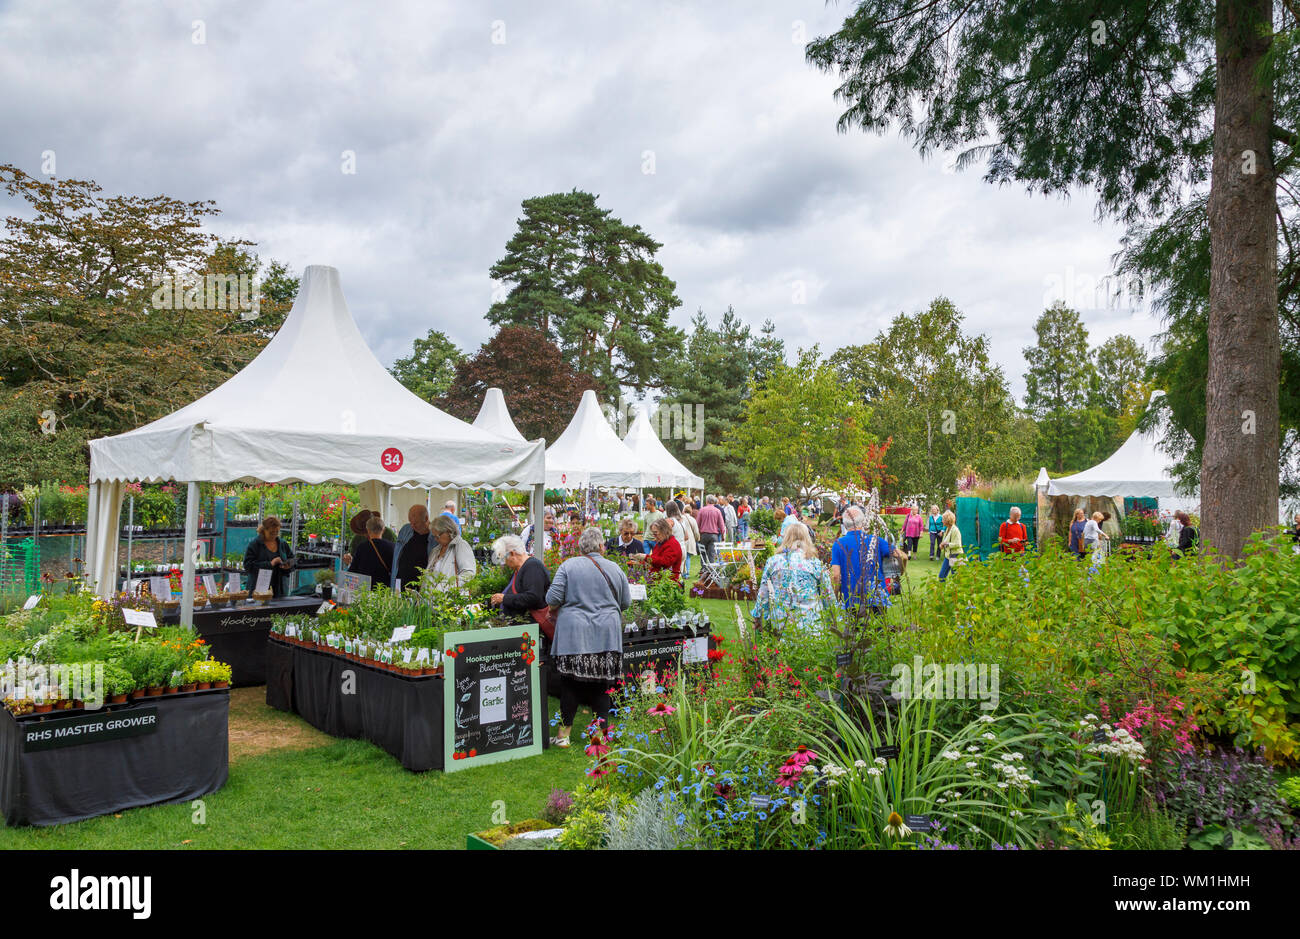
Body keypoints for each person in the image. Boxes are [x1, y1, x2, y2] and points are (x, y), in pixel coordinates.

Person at [545, 527, 631, 747]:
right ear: (601, 547)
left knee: (570, 685)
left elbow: (552, 597)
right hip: (606, 636)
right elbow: (626, 603)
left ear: (580, 547)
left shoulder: (569, 566)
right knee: (602, 686)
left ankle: (563, 737)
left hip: (574, 635)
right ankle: (600, 736)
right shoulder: (615, 568)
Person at [751, 522, 834, 632]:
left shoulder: (773, 562)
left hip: (781, 624)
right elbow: (827, 595)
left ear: (786, 539)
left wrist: (758, 618)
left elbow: (763, 594)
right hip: (811, 625)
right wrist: (832, 620)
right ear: (807, 539)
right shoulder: (815, 564)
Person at [830, 505, 906, 612]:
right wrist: (901, 572)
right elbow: (902, 556)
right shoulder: (875, 540)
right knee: (879, 627)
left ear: (844, 523)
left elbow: (836, 575)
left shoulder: (838, 544)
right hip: (876, 595)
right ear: (863, 522)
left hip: (851, 597)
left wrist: (836, 595)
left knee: (855, 628)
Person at [489, 534, 551, 621]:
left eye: (504, 558)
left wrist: (504, 598)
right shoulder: (519, 570)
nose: (505, 563)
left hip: (530, 629)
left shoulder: (532, 567)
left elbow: (533, 597)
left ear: (512, 554)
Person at [243, 516, 295, 598]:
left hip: (279, 590)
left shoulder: (282, 544)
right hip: (259, 590)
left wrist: (288, 566)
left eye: (277, 532)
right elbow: (248, 566)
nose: (274, 534)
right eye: (271, 532)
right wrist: (270, 564)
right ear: (264, 530)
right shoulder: (255, 545)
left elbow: (292, 560)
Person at [427, 513, 476, 589]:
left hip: (452, 598)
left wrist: (447, 587)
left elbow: (469, 573)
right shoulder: (436, 550)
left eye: (438, 536)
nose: (436, 539)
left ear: (448, 531)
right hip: (433, 598)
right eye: (434, 536)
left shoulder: (460, 545)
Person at [392, 504, 431, 591]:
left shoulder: (434, 537)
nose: (412, 526)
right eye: (410, 522)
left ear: (426, 518)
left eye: (416, 523)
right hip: (400, 582)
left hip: (419, 585)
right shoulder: (406, 530)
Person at [347, 514, 395, 585]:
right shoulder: (392, 547)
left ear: (368, 530)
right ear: (383, 530)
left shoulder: (362, 547)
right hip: (384, 589)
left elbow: (353, 570)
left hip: (365, 589)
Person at [938, 510, 966, 582]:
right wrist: (942, 545)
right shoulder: (947, 529)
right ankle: (941, 592)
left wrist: (946, 544)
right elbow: (945, 541)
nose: (942, 521)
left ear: (947, 520)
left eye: (943, 519)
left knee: (955, 578)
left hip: (956, 557)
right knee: (941, 576)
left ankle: (956, 592)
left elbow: (957, 544)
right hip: (948, 557)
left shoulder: (955, 530)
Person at [696, 495, 725, 562]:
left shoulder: (702, 510)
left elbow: (697, 523)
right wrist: (723, 535)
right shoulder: (717, 511)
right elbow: (721, 525)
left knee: (703, 553)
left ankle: (704, 568)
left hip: (703, 534)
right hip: (714, 535)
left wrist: (698, 534)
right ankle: (711, 569)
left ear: (707, 501)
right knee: (712, 553)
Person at [680, 504, 701, 578]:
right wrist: (697, 539)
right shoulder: (693, 519)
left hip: (681, 540)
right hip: (690, 540)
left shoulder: (680, 518)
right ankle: (687, 574)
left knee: (681, 557)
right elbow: (696, 532)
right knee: (687, 557)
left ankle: (681, 572)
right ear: (690, 511)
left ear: (683, 510)